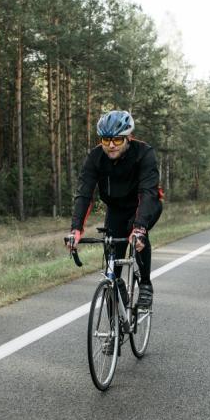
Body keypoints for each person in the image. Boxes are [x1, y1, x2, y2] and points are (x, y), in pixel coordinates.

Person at [66, 110, 163, 310]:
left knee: (137, 237)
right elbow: (84, 193)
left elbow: (148, 192)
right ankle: (113, 333)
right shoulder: (95, 157)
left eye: (117, 140)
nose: (111, 145)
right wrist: (76, 229)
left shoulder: (144, 153)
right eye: (106, 139)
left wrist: (140, 228)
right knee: (112, 260)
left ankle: (145, 283)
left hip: (144, 205)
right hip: (116, 209)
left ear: (128, 138)